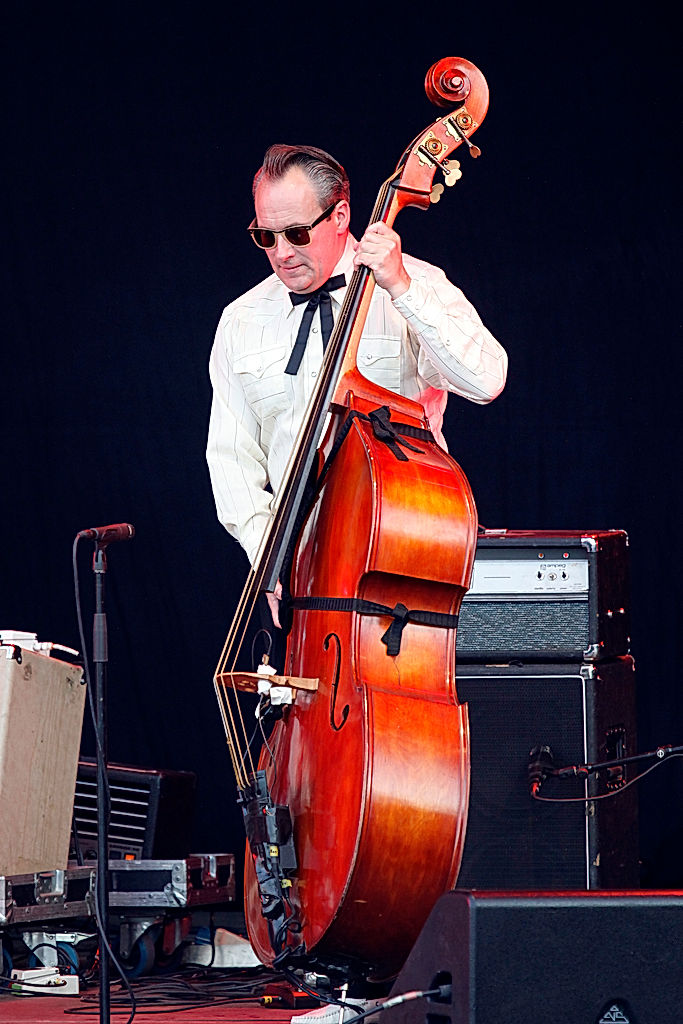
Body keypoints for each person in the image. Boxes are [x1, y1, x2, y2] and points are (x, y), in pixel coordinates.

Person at [206, 143, 507, 629]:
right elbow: (231, 461)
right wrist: (272, 556)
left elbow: (487, 379)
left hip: (406, 560)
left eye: (297, 233)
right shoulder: (240, 321)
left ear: (341, 215)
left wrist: (401, 286)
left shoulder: (416, 284)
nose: (281, 253)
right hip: (306, 573)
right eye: (266, 236)